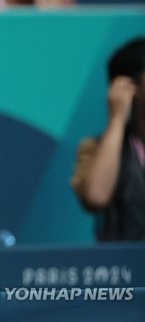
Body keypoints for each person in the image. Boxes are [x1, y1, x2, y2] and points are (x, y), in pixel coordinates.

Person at [71, 38, 145, 241]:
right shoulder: (95, 148)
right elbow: (96, 197)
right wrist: (117, 120)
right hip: (126, 267)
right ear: (130, 87)